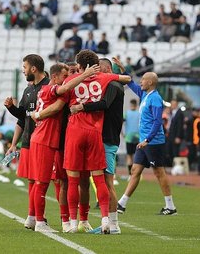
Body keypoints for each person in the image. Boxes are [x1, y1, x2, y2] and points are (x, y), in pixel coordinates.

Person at [36, 50, 131, 233]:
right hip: (95, 133)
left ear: (79, 65)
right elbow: (126, 79)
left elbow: (60, 95)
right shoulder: (103, 77)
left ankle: (72, 223)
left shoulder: (70, 81)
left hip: (74, 132)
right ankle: (105, 221)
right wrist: (111, 74)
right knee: (99, 180)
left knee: (73, 181)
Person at [29, 63, 99, 232]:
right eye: (66, 74)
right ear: (55, 77)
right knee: (44, 181)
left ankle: (43, 220)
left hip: (55, 139)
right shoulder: (51, 89)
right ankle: (41, 221)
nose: (69, 77)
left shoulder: (61, 90)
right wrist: (38, 115)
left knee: (50, 181)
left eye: (74, 72)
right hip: (46, 139)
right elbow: (58, 105)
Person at [70, 57, 126, 234]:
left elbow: (104, 104)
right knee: (97, 180)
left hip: (107, 139)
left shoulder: (112, 85)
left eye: (98, 69)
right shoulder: (112, 84)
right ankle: (105, 222)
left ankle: (114, 224)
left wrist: (81, 107)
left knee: (107, 182)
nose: (95, 72)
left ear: (107, 69)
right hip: (100, 137)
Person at [117, 72, 177, 216]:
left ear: (150, 82)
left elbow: (158, 122)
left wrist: (147, 140)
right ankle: (122, 204)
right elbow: (132, 84)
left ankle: (170, 206)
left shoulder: (155, 98)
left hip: (153, 142)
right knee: (135, 171)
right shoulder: (146, 95)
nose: (141, 82)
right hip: (144, 142)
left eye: (143, 79)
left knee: (159, 172)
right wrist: (123, 70)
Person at [4, 54, 49, 230]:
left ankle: (64, 220)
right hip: (29, 140)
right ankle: (34, 217)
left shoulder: (48, 87)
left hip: (46, 140)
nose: (23, 71)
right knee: (33, 180)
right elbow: (23, 117)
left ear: (33, 68)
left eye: (24, 67)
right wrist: (11, 108)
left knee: (44, 181)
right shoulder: (29, 90)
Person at [167, 100, 184, 167]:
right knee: (169, 151)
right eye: (171, 104)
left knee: (175, 151)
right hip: (170, 135)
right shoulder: (171, 113)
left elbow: (180, 126)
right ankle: (173, 165)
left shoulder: (179, 113)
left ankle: (177, 167)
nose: (172, 105)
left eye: (174, 104)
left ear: (176, 105)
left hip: (176, 136)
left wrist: (178, 137)